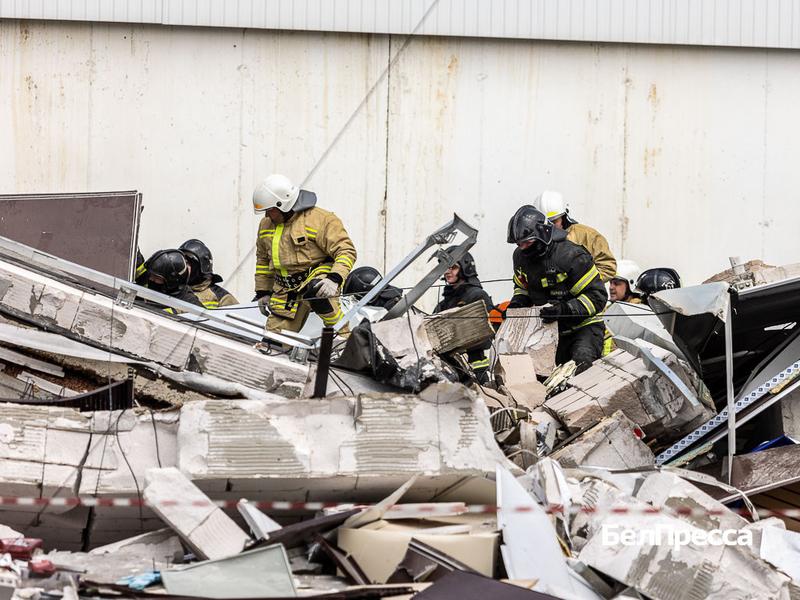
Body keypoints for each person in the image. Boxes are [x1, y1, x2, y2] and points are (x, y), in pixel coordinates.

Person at [506, 205, 607, 373]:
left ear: (543, 235)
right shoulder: (520, 257)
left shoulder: (571, 256)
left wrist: (565, 309)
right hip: (550, 330)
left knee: (581, 365)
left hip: (584, 327)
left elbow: (597, 296)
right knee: (543, 376)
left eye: (527, 242)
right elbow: (522, 287)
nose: (522, 247)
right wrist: (518, 303)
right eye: (518, 243)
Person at [253, 174, 357, 334]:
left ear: (283, 204)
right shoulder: (266, 225)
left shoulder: (321, 220)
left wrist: (334, 279)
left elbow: (346, 250)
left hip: (317, 278)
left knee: (316, 290)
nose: (267, 216)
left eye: (270, 210)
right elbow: (262, 261)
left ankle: (342, 337)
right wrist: (263, 292)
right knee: (273, 344)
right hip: (285, 290)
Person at [433, 247, 494, 383]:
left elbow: (488, 332)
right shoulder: (444, 302)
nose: (447, 272)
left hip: (476, 367)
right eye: (445, 268)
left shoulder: (477, 295)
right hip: (452, 368)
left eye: (453, 267)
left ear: (466, 268)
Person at [535, 190, 617, 282]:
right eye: (544, 224)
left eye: (554, 221)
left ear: (564, 217)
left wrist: (582, 284)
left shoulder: (587, 236)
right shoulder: (533, 242)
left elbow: (608, 267)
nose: (550, 227)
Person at [179, 239, 239, 309]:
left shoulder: (222, 297)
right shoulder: (175, 291)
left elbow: (236, 318)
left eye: (188, 263)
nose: (183, 267)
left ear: (200, 267)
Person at [143, 249, 204, 314]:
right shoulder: (149, 291)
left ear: (172, 281)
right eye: (151, 275)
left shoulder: (191, 305)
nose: (151, 279)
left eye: (157, 278)